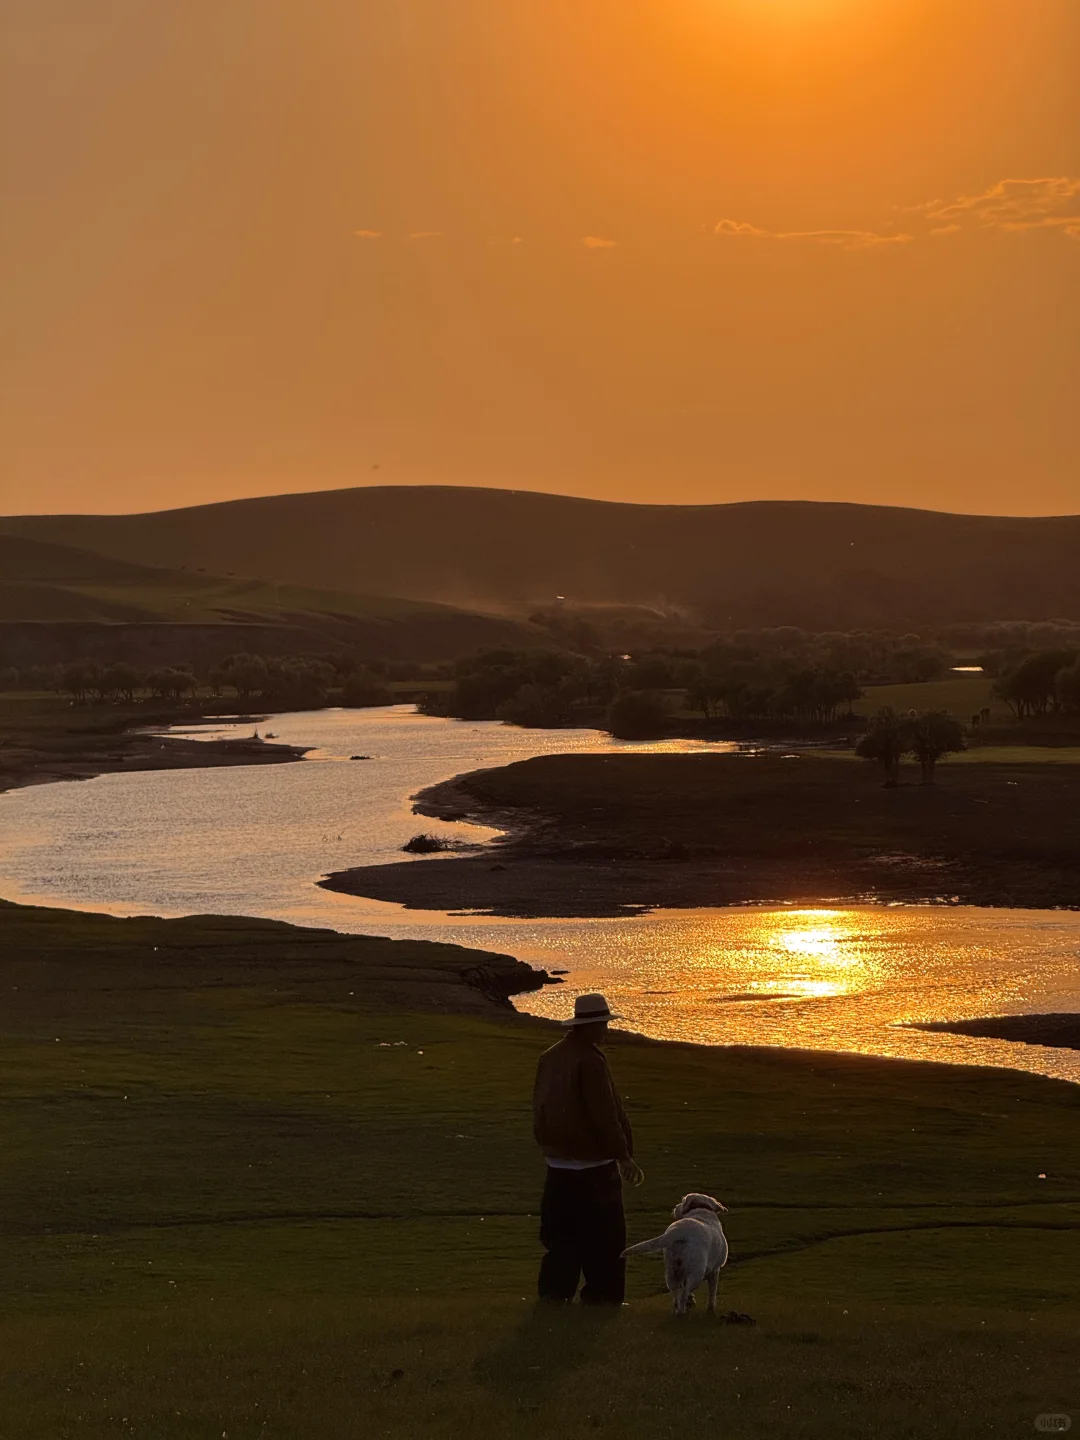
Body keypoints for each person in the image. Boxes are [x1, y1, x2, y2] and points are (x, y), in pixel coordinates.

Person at [532, 992, 644, 1305]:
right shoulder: (590, 1061)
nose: (606, 1030)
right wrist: (623, 1155)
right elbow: (604, 1114)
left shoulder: (550, 1057)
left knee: (561, 1237)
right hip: (594, 1167)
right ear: (590, 1026)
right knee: (606, 1241)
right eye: (602, 1024)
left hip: (557, 1166)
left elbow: (539, 1107)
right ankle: (602, 1298)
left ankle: (555, 1294)